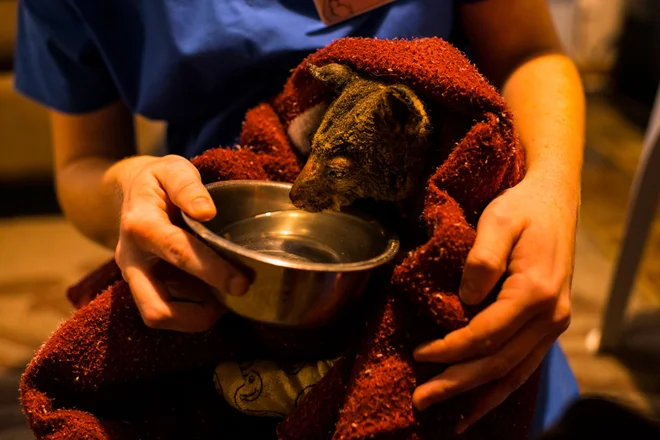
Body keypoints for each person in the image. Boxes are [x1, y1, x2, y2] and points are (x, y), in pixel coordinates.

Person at [14, 0, 584, 434]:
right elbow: (83, 165)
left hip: (460, 275)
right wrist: (130, 189)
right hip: (218, 266)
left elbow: (528, 50)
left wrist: (552, 193)